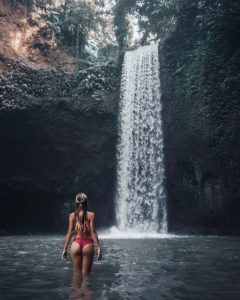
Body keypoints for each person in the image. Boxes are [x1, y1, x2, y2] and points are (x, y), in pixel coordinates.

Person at [62, 193, 102, 278]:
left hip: (76, 244)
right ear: (86, 203)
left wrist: (65, 249)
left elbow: (69, 233)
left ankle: (76, 291)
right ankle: (86, 290)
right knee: (86, 276)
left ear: (75, 203)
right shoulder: (91, 215)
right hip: (88, 244)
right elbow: (93, 232)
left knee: (76, 275)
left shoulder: (72, 215)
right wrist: (99, 247)